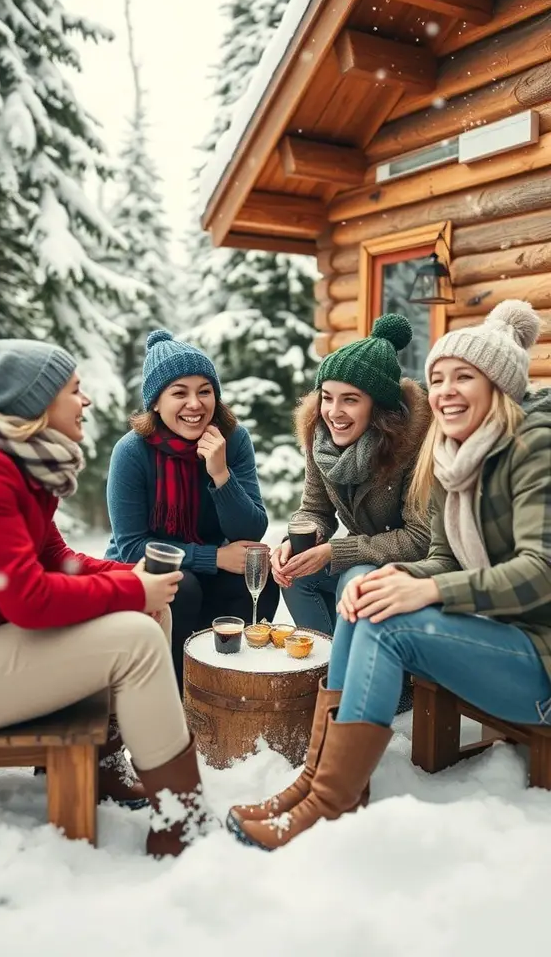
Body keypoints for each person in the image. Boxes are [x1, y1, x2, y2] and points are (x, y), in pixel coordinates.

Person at [227, 299, 551, 850]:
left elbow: (540, 572)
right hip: (491, 632)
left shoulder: (532, 448)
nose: (445, 390)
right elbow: (445, 560)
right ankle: (319, 780)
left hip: (537, 660)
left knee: (383, 617)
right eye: (438, 377)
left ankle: (332, 799)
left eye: (463, 378)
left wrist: (417, 582)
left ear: (498, 387)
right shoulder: (454, 456)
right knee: (363, 589)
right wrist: (393, 576)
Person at [0, 338, 210, 858]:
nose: (86, 402)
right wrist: (130, 586)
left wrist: (135, 576)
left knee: (151, 608)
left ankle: (104, 765)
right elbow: (27, 598)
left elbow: (59, 559)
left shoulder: (18, 466)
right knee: (136, 637)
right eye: (74, 391)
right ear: (36, 404)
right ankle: (182, 818)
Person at [106, 330, 278, 689]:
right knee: (183, 587)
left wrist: (220, 473)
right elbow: (132, 546)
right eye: (179, 393)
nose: (195, 404)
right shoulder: (132, 452)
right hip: (150, 569)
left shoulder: (233, 440)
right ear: (155, 402)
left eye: (205, 390)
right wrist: (214, 557)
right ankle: (177, 694)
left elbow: (251, 531)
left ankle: (230, 687)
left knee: (260, 573)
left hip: (211, 567)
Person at [273, 314, 431, 637]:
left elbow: (420, 538)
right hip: (363, 554)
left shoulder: (412, 445)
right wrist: (298, 542)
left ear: (379, 409)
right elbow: (315, 510)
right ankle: (326, 670)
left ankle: (351, 681)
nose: (334, 412)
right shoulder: (321, 439)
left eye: (350, 400)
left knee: (353, 578)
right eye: (327, 397)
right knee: (297, 576)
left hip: (413, 568)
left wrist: (335, 552)